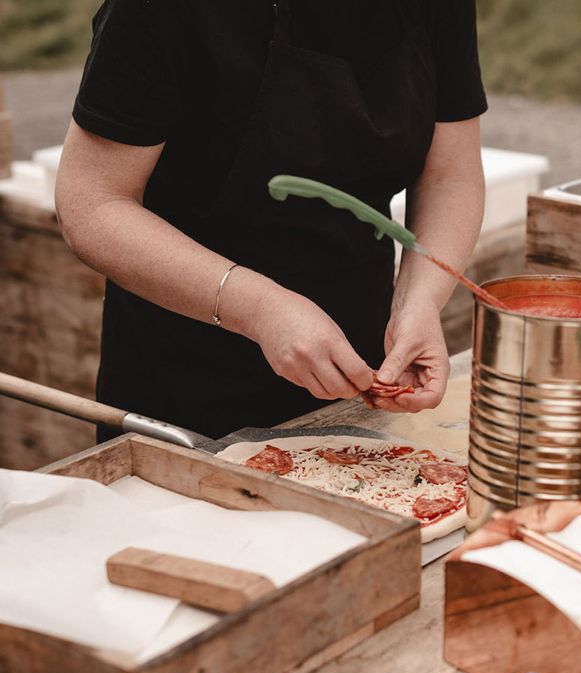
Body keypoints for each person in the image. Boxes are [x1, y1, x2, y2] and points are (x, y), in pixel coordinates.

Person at [56, 0, 486, 441]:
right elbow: (92, 205)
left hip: (355, 377)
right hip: (185, 388)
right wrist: (260, 308)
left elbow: (449, 174)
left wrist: (418, 301)